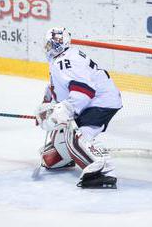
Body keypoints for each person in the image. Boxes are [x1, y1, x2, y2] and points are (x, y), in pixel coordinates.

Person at [36, 27, 122, 189]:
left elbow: (84, 91)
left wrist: (64, 109)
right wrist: (47, 105)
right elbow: (60, 86)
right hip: (91, 101)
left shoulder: (65, 60)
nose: (47, 48)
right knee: (63, 128)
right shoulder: (63, 58)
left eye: (50, 44)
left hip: (100, 101)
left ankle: (103, 170)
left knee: (77, 136)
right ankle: (63, 156)